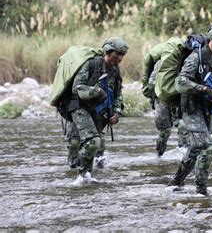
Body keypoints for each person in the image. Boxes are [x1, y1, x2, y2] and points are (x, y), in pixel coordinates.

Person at [169, 19, 212, 196]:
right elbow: (181, 82)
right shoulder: (196, 58)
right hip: (191, 107)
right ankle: (201, 192)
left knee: (196, 148)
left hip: (209, 108)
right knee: (207, 148)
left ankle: (177, 181)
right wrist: (205, 89)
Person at [68, 37, 128, 178]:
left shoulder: (115, 71)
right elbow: (77, 88)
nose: (120, 58)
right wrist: (95, 91)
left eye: (122, 55)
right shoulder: (91, 65)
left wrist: (117, 112)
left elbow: (119, 94)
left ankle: (85, 175)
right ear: (107, 51)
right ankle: (80, 173)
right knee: (84, 142)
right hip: (80, 108)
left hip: (98, 111)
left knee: (95, 143)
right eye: (117, 54)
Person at [141, 44, 188, 157]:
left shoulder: (187, 63)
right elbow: (151, 83)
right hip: (161, 99)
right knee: (165, 130)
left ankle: (183, 153)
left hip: (176, 98)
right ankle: (159, 155)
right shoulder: (162, 63)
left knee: (182, 126)